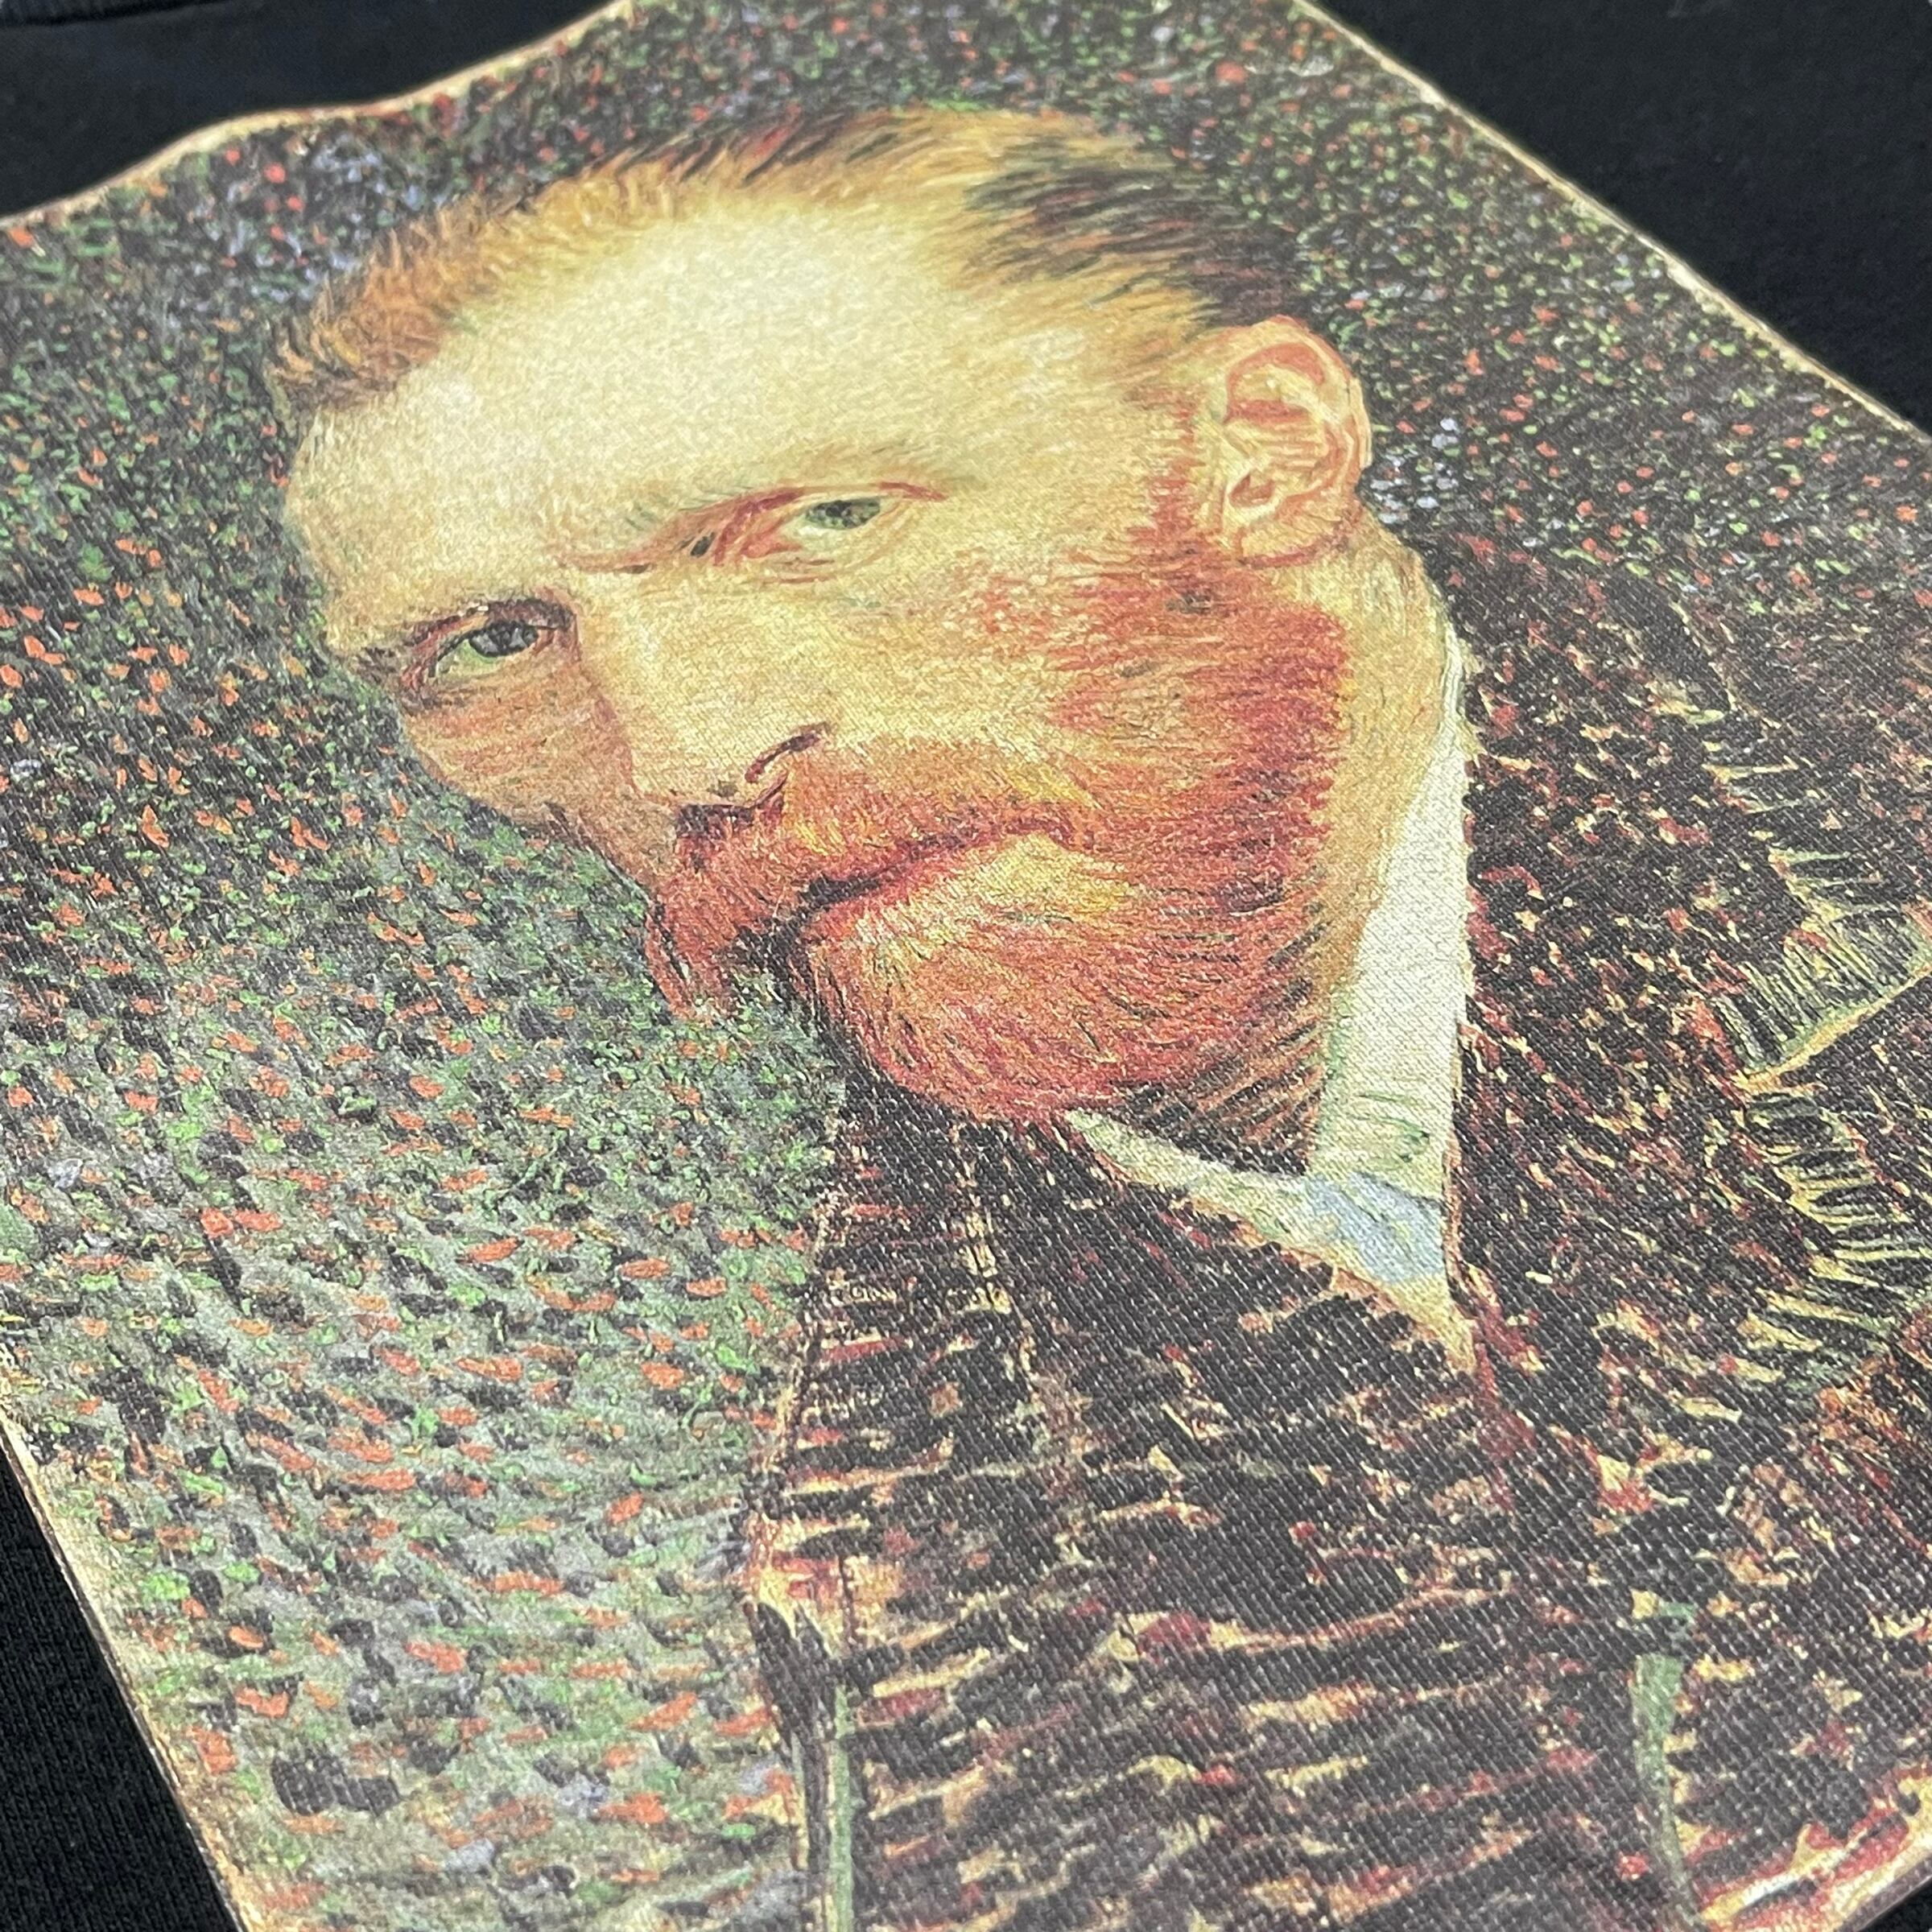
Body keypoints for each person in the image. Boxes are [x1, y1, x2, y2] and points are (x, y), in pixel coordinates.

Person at [278, 105, 1932, 1932]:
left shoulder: (1882, 801)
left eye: (823, 523)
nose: (690, 753)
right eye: (495, 646)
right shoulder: (890, 1553)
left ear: (1265, 452)